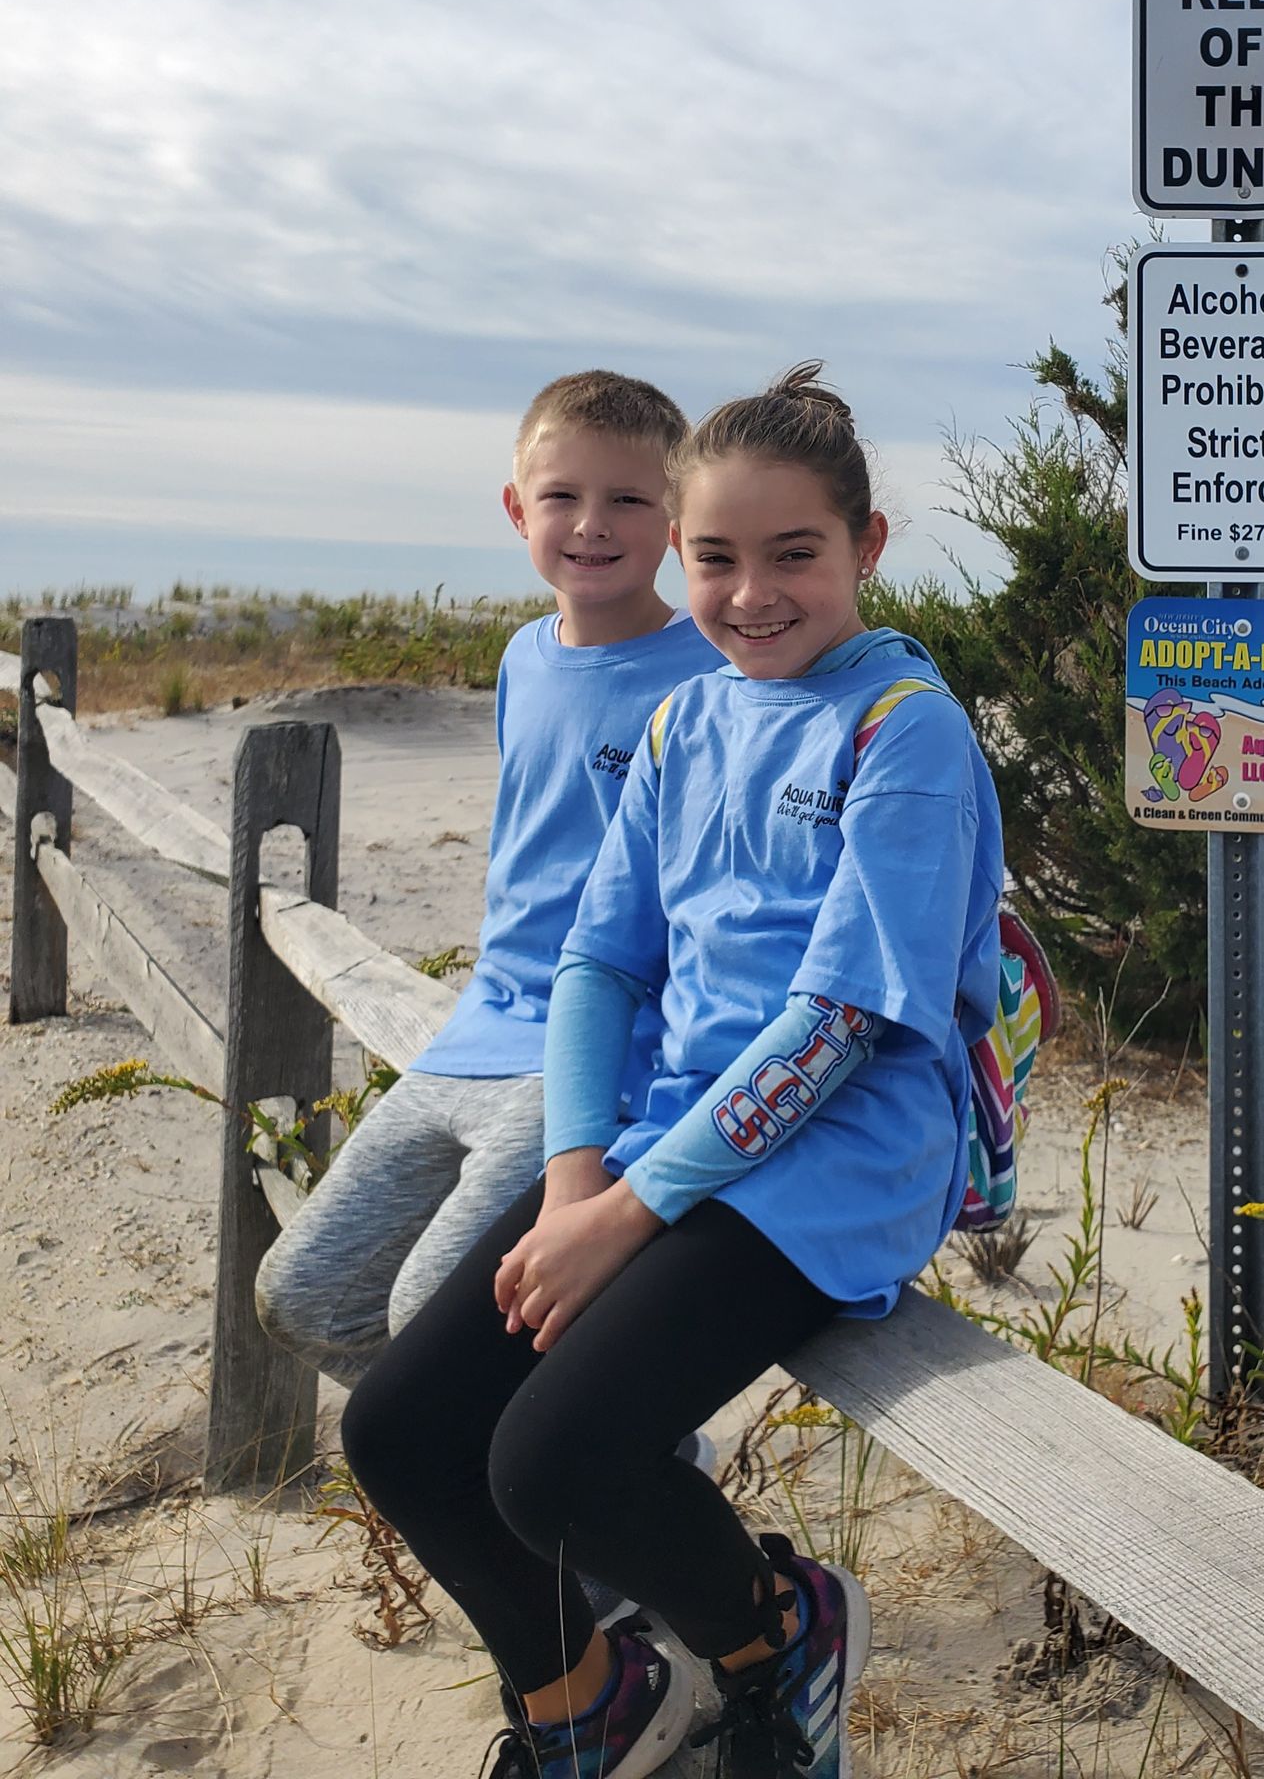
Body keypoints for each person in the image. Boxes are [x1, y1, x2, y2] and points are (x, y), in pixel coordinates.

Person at [340, 365, 1005, 1779]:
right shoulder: (687, 718)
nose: (751, 594)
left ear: (867, 547)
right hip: (657, 1149)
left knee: (550, 1464)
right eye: (715, 558)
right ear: (678, 557)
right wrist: (578, 1175)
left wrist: (622, 1217)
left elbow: (835, 1026)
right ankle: (583, 1702)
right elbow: (601, 963)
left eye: (794, 555)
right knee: (402, 1428)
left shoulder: (905, 732)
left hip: (832, 1166)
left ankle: (779, 1637)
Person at [255, 369, 722, 1385]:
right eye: (562, 496)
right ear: (518, 508)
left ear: (679, 520)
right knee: (303, 1294)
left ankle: (606, 1475)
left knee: (439, 1305)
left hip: (596, 1050)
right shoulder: (523, 656)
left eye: (630, 499)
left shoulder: (712, 680)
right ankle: (468, 1461)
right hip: (472, 1032)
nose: (592, 524)